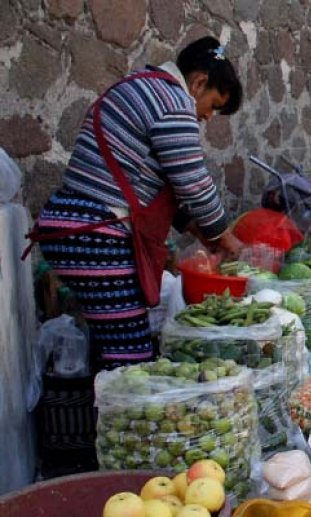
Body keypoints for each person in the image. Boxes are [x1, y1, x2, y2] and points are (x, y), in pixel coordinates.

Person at [27, 37, 244, 371]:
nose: (208, 117)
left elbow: (147, 182)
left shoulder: (141, 86)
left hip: (72, 228)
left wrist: (194, 228)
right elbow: (193, 182)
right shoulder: (174, 102)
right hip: (96, 237)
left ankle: (99, 413)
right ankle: (114, 418)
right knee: (132, 360)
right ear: (199, 82)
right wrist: (222, 235)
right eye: (213, 105)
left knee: (115, 347)